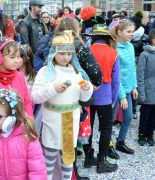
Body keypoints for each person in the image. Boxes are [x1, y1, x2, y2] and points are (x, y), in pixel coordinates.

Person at [31, 31, 93, 180]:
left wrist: (87, 89)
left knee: (68, 159)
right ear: (54, 52)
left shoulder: (75, 72)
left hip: (70, 121)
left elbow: (82, 97)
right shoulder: (45, 72)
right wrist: (53, 89)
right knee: (49, 159)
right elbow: (35, 96)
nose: (66, 57)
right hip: (52, 121)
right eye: (62, 53)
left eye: (69, 54)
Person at [82, 24, 119, 173]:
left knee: (87, 128)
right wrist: (113, 99)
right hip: (105, 96)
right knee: (105, 129)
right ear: (107, 38)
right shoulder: (114, 53)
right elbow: (116, 81)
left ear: (93, 37)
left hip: (87, 95)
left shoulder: (86, 51)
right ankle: (102, 161)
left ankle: (88, 158)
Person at [0, 37, 33, 117]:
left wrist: (29, 120)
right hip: (2, 126)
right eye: (12, 57)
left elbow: (27, 102)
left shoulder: (19, 76)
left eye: (18, 56)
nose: (17, 60)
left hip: (23, 124)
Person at [110, 19, 138, 154]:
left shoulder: (130, 46)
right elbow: (116, 75)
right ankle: (107, 145)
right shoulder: (113, 48)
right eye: (128, 31)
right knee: (110, 119)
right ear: (119, 32)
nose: (131, 34)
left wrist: (134, 87)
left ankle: (120, 142)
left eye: (132, 31)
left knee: (128, 118)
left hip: (128, 88)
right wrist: (122, 96)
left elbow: (133, 68)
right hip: (116, 91)